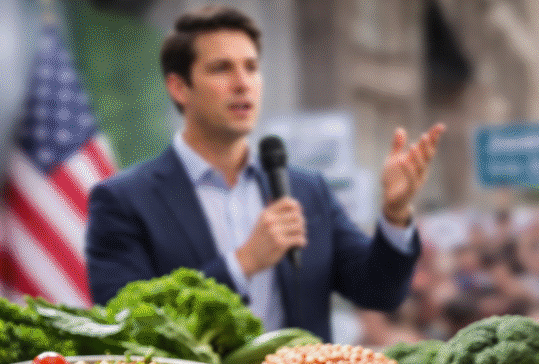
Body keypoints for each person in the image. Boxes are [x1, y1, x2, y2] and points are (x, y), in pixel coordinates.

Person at [84, 4, 445, 341]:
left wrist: (395, 214)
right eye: (221, 68)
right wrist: (242, 264)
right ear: (179, 87)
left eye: (251, 67)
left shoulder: (307, 190)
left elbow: (379, 291)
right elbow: (124, 323)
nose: (242, 83)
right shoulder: (123, 200)